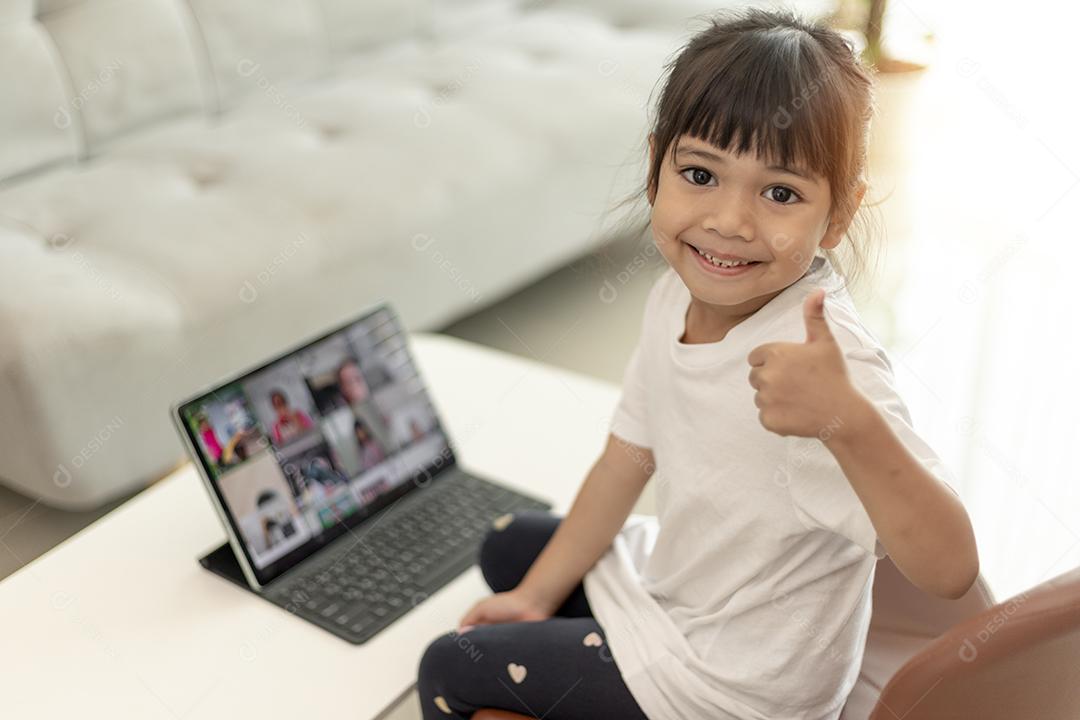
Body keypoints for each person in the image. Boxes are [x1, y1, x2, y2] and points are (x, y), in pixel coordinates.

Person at [417, 9, 980, 720]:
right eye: (700, 174)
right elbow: (627, 458)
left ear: (837, 215)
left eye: (780, 193)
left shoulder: (824, 367)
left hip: (736, 687)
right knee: (509, 549)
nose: (731, 221)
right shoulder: (670, 295)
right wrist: (532, 601)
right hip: (678, 595)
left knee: (446, 670)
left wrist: (849, 423)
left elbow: (951, 568)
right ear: (657, 165)